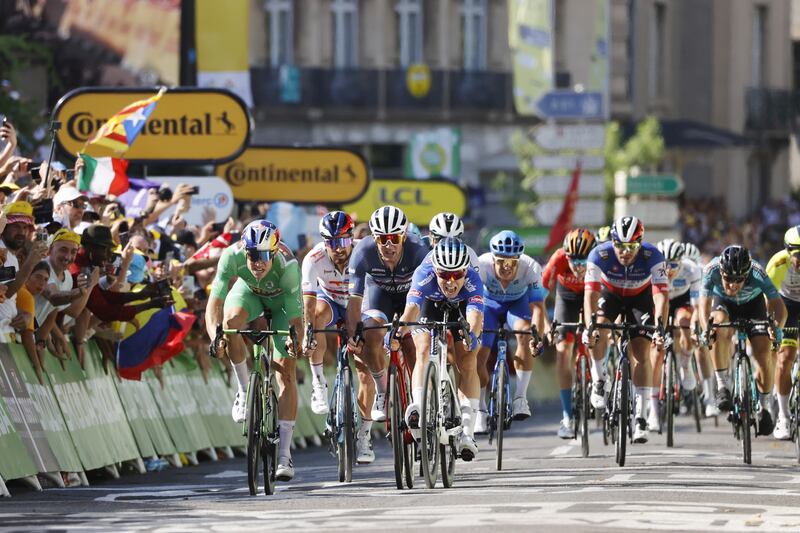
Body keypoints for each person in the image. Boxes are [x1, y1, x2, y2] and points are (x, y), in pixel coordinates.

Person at [206, 220, 305, 482]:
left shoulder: (289, 268)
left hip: (283, 303)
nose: (257, 262)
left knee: (286, 370)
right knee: (229, 324)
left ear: (273, 253)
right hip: (249, 293)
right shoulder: (230, 256)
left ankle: (284, 454)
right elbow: (214, 301)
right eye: (252, 255)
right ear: (244, 250)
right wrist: (215, 337)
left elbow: (297, 320)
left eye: (263, 256)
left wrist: (296, 342)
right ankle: (243, 389)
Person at [390, 237, 484, 461]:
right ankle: (421, 407)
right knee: (422, 349)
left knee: (468, 359)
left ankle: (468, 433)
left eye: (457, 275)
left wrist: (470, 334)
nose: (451, 282)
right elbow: (411, 309)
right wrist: (399, 331)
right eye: (444, 275)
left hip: (460, 310)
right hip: (428, 307)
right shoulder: (424, 273)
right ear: (436, 271)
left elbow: (476, 316)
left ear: (465, 271)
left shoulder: (473, 279)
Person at [346, 206, 428, 453]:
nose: (388, 244)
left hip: (411, 299)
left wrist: (405, 328)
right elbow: (354, 302)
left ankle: (418, 400)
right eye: (382, 238)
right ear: (374, 237)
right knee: (370, 335)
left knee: (413, 345)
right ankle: (383, 391)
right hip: (379, 295)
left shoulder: (418, 251)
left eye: (394, 238)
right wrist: (353, 335)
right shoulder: (362, 251)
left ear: (404, 236)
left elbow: (423, 297)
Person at [584, 216, 669, 444]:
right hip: (609, 296)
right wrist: (590, 325)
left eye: (631, 247)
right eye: (620, 246)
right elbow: (590, 294)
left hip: (640, 299)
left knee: (642, 352)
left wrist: (660, 328)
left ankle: (641, 417)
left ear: (640, 243)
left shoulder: (653, 256)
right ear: (612, 242)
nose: (625, 252)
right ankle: (599, 378)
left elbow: (661, 296)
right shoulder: (599, 255)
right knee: (598, 331)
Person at [699, 245, 786, 437]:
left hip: (753, 306)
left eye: (739, 280)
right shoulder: (711, 270)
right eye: (728, 278)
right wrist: (706, 329)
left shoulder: (758, 272)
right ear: (721, 272)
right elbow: (703, 306)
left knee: (763, 352)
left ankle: (764, 408)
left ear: (747, 275)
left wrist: (777, 328)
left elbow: (778, 305)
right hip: (724, 304)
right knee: (718, 326)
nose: (733, 284)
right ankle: (723, 385)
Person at [476, 230, 547, 433]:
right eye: (501, 262)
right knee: (480, 353)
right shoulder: (482, 265)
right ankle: (480, 409)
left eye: (512, 262)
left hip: (517, 305)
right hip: (488, 306)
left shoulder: (531, 267)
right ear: (493, 258)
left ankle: (520, 398)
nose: (506, 267)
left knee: (525, 336)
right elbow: (470, 299)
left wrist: (537, 336)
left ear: (519, 259)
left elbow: (538, 308)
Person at [542, 228, 596, 438]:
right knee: (563, 351)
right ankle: (567, 416)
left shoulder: (600, 258)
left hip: (593, 293)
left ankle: (598, 378)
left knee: (596, 337)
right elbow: (539, 296)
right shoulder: (558, 259)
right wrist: (547, 327)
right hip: (567, 298)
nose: (578, 268)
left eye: (583, 263)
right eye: (573, 261)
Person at [300, 212, 354, 414]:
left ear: (352, 236)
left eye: (344, 240)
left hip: (355, 301)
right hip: (329, 299)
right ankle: (318, 383)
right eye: (332, 243)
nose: (339, 248)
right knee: (315, 321)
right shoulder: (313, 259)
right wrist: (308, 332)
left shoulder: (363, 253)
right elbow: (308, 302)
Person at [648, 239, 702, 430]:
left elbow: (697, 307)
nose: (669, 270)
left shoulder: (692, 270)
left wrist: (695, 327)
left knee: (685, 323)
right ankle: (653, 411)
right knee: (656, 347)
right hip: (659, 299)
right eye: (665, 265)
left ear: (681, 261)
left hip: (682, 299)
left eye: (673, 265)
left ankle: (685, 367)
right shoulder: (652, 268)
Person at [766, 226, 800, 440]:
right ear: (788, 253)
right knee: (785, 357)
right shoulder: (777, 264)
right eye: (797, 256)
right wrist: (771, 326)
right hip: (786, 304)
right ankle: (784, 417)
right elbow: (768, 300)